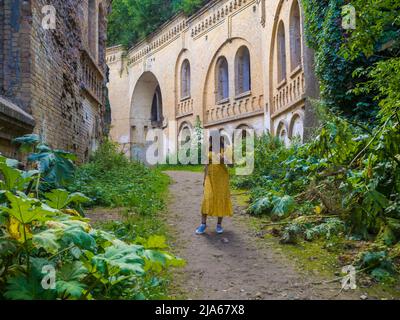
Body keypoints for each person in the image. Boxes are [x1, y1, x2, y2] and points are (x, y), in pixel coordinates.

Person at [196, 135, 233, 235]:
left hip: (222, 179)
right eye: (211, 140)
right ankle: (203, 224)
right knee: (207, 198)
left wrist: (224, 160)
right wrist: (204, 179)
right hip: (210, 178)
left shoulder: (226, 150)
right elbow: (206, 166)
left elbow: (231, 165)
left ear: (220, 140)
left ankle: (219, 225)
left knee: (220, 199)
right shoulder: (209, 150)